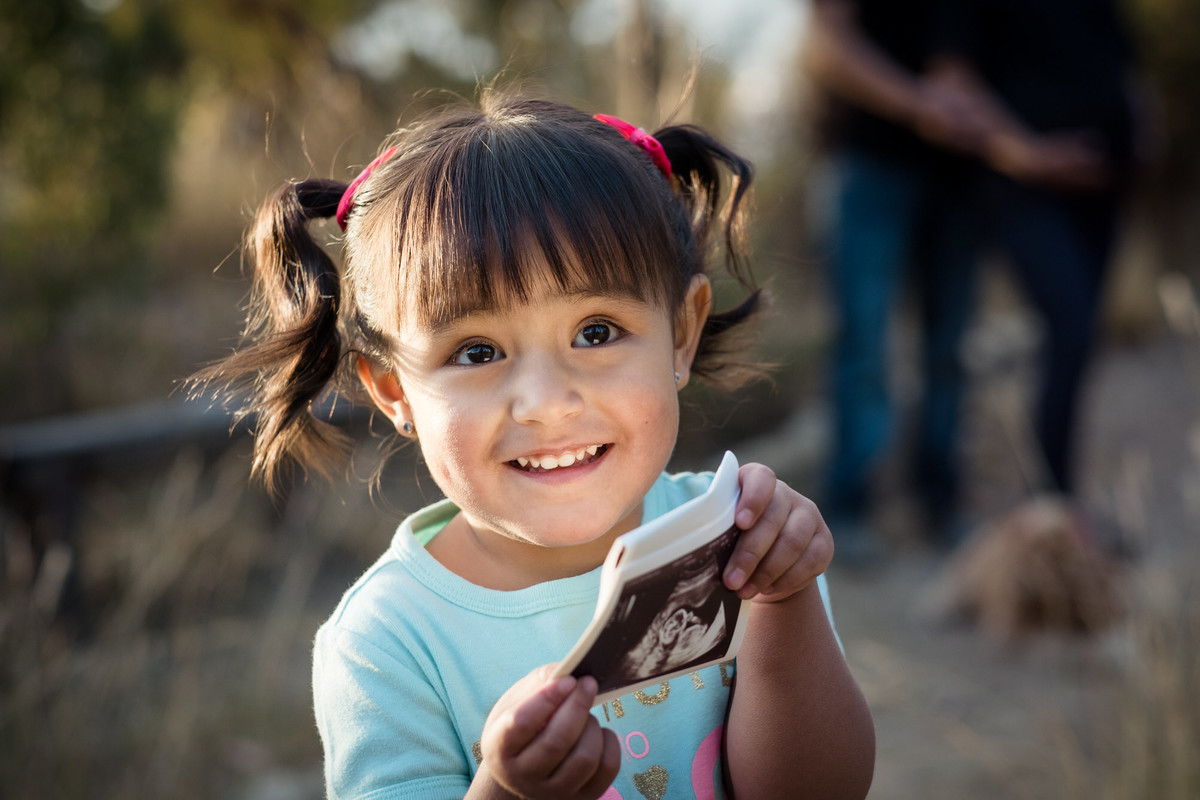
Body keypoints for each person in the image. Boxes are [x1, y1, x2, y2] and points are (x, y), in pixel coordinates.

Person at [196, 92, 874, 800]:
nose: (547, 402)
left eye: (596, 332)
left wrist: (786, 604)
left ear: (681, 332)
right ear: (394, 391)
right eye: (478, 350)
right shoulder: (389, 644)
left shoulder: (736, 542)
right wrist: (506, 790)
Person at [928, 0, 1150, 498]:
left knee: (1082, 337)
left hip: (1103, 188)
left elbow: (1124, 64)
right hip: (1023, 192)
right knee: (1069, 327)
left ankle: (1063, 501)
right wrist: (1026, 152)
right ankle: (1055, 504)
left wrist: (1139, 125)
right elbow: (952, 80)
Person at [804, 0, 985, 558]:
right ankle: (851, 505)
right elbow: (827, 41)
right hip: (869, 162)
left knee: (950, 345)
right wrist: (920, 104)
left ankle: (941, 501)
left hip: (961, 173)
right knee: (864, 342)